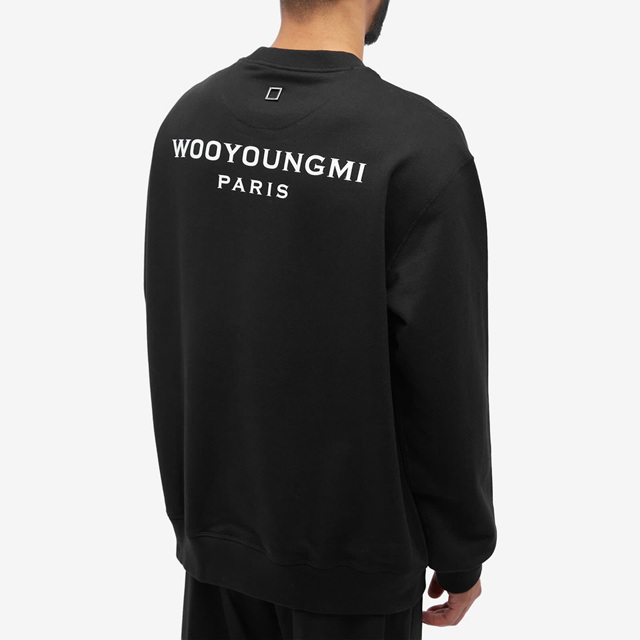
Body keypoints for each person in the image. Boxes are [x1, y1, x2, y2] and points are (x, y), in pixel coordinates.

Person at [143, 0, 498, 637]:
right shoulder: (416, 144)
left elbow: (170, 320)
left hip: (216, 548)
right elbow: (445, 375)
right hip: (354, 570)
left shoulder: (187, 123)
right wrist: (461, 549)